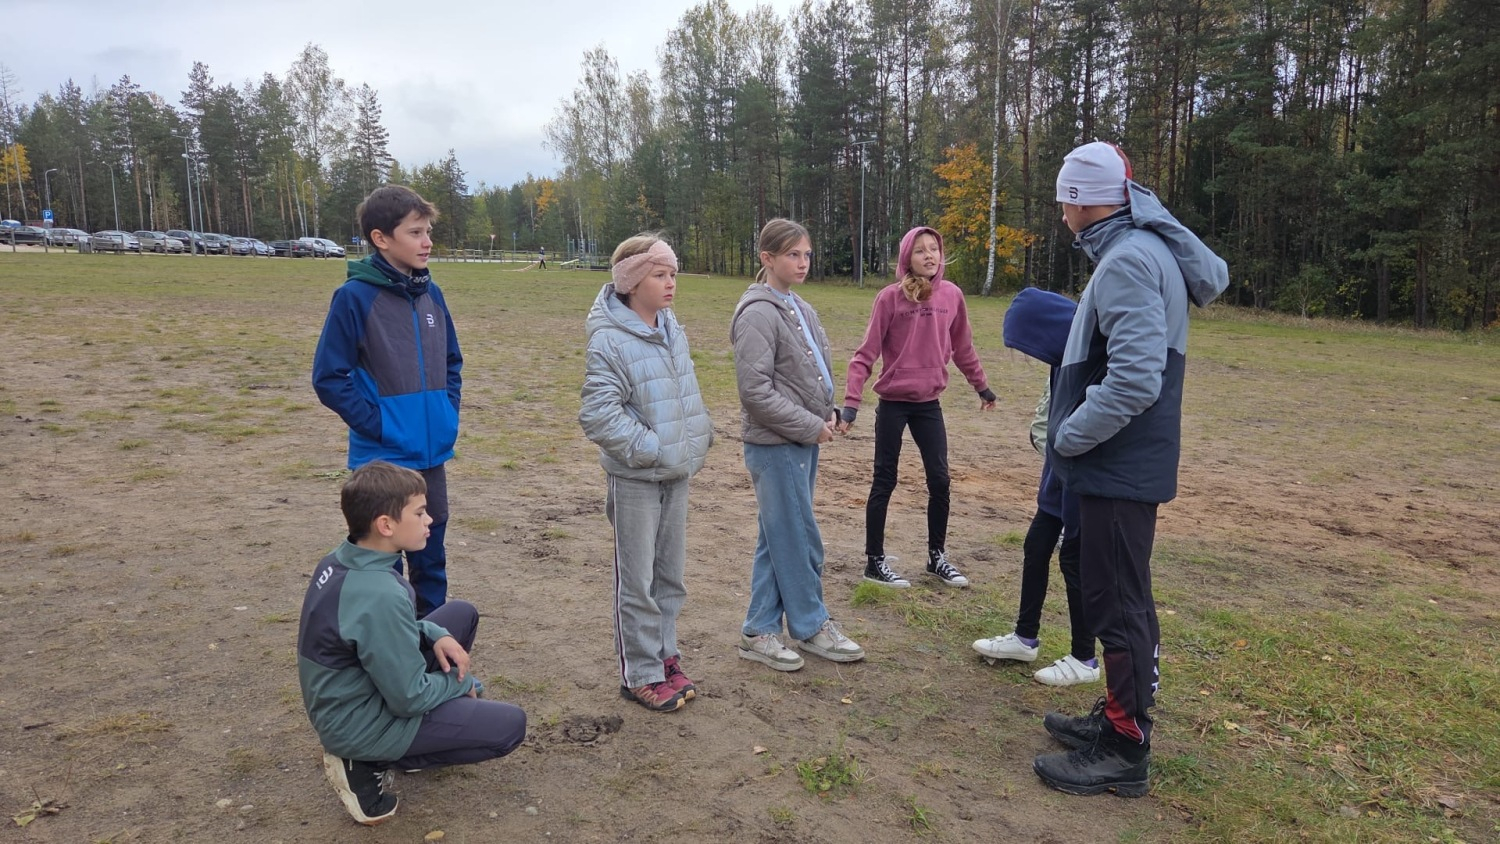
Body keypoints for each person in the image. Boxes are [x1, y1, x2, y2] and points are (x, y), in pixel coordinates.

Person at [1032, 142, 1227, 798]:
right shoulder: (1139, 249)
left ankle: (1124, 745)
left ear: (1084, 200)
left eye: (1065, 198)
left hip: (1116, 462)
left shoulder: (1129, 261)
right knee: (1118, 595)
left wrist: (1069, 435)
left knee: (1116, 603)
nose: (1062, 213)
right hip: (1119, 464)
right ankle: (1117, 716)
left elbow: (1137, 378)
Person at [298, 461, 527, 826]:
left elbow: (374, 631)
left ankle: (402, 741)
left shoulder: (345, 559)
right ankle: (366, 761)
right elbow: (409, 698)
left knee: (458, 616)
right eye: (419, 512)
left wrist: (437, 634)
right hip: (356, 721)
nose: (429, 520)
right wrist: (464, 685)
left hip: (347, 695)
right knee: (509, 726)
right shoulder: (380, 593)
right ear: (385, 525)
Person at [312, 185, 462, 617]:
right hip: (384, 459)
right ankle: (387, 654)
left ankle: (432, 653)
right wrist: (380, 424)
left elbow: (452, 362)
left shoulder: (431, 294)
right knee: (383, 564)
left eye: (428, 230)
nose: (427, 241)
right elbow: (329, 377)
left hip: (432, 457)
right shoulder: (354, 298)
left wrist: (446, 413)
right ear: (381, 238)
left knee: (430, 557)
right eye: (415, 232)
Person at [579, 234, 714, 713]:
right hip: (637, 477)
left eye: (673, 274)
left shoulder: (671, 326)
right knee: (637, 582)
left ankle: (665, 656)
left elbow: (684, 390)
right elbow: (598, 415)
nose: (671, 283)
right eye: (660, 274)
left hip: (678, 472)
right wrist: (651, 448)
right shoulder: (609, 340)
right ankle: (640, 672)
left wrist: (697, 436)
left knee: (669, 577)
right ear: (633, 280)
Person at [731, 218, 863, 671]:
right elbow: (755, 391)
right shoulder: (757, 313)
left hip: (804, 440)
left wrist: (828, 412)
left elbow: (808, 374)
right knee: (801, 539)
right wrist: (810, 425)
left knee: (779, 537)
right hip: (776, 444)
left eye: (806, 254)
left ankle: (759, 630)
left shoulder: (799, 307)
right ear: (767, 259)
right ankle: (810, 625)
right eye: (793, 254)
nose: (803, 262)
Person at [838, 226, 997, 588]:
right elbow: (865, 355)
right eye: (920, 250)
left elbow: (963, 348)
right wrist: (851, 405)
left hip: (929, 404)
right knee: (885, 480)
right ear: (907, 258)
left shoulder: (952, 296)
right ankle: (874, 562)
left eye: (934, 249)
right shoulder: (890, 299)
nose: (929, 255)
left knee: (940, 481)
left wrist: (982, 387)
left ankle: (936, 557)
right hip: (893, 403)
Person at [972, 287, 1099, 687]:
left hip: (1084, 473)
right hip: (1056, 472)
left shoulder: (1093, 354)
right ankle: (1025, 637)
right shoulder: (1063, 357)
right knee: (1036, 546)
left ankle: (1085, 657)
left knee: (1075, 561)